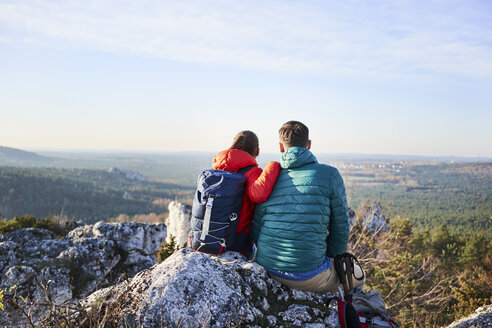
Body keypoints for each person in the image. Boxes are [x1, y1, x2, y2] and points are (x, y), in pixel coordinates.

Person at [251, 121, 364, 292]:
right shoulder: (330, 175)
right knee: (358, 275)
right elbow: (340, 229)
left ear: (281, 147)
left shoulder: (270, 176)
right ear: (309, 144)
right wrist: (329, 255)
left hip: (266, 267)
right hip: (308, 275)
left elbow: (257, 226)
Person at [212, 130, 280, 253]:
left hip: (212, 235)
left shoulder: (218, 168)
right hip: (237, 240)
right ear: (257, 151)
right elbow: (259, 194)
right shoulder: (252, 172)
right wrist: (273, 166)